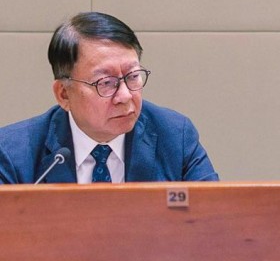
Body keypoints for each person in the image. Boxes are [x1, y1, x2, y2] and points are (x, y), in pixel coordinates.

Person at [0, 12, 218, 184]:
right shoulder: (12, 154)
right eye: (106, 83)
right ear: (64, 94)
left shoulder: (174, 137)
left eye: (133, 77)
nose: (124, 96)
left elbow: (215, 223)